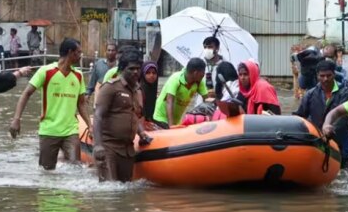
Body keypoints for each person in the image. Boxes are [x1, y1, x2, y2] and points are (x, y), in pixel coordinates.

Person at [10, 38, 92, 171]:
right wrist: (16, 119)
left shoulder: (78, 75)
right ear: (70, 52)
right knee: (46, 171)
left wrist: (90, 126)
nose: (80, 56)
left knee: (75, 169)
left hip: (71, 130)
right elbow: (26, 94)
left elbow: (81, 103)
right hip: (49, 129)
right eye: (78, 52)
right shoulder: (45, 71)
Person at [93, 50, 152, 182]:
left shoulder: (137, 90)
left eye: (138, 69)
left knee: (124, 192)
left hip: (128, 150)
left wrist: (142, 133)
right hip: (109, 148)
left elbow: (133, 115)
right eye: (131, 69)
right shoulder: (110, 87)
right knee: (110, 191)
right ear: (122, 69)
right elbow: (98, 116)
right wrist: (98, 145)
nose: (136, 72)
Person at [294, 60, 348, 169]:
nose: (325, 79)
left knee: (343, 176)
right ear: (317, 76)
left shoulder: (345, 93)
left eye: (328, 75)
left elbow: (342, 119)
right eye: (322, 76)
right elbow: (301, 117)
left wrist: (327, 132)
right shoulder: (310, 94)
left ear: (334, 74)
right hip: (317, 145)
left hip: (340, 144)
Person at [152, 57, 208, 128]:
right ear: (195, 73)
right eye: (202, 73)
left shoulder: (199, 82)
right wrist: (171, 126)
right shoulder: (176, 79)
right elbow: (169, 101)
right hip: (161, 118)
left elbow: (206, 99)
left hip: (176, 120)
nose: (203, 75)